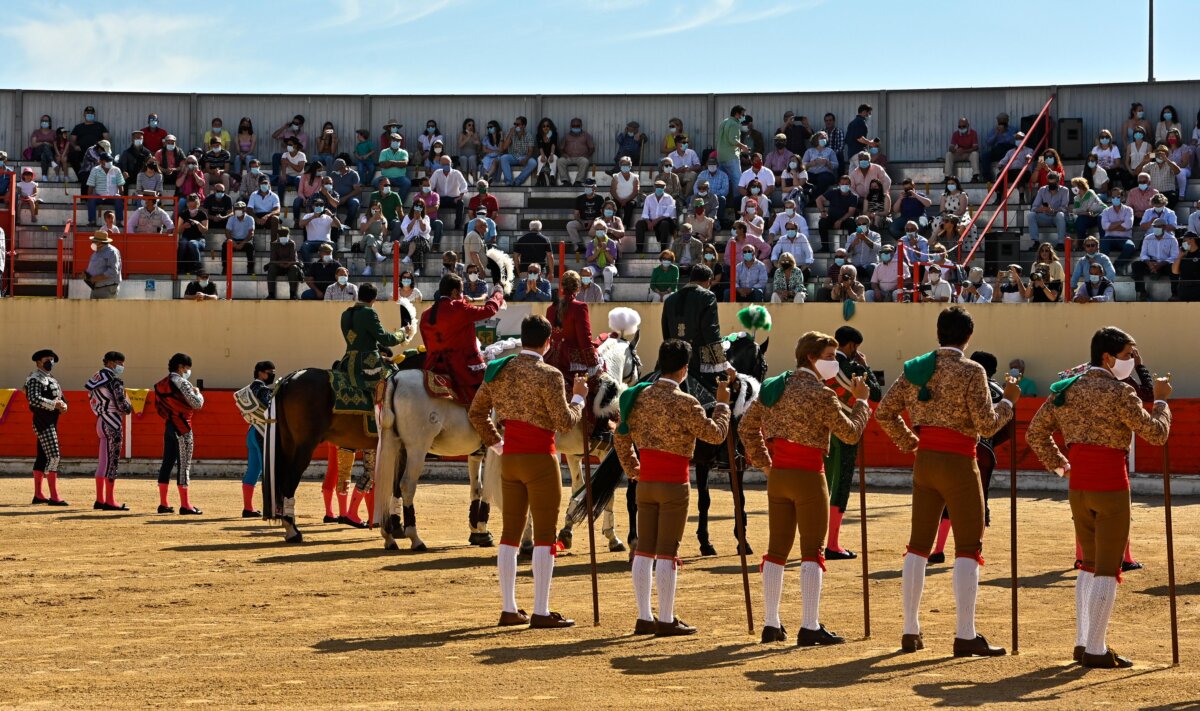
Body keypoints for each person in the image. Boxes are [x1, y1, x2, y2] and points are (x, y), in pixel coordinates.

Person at [876, 306, 1020, 657]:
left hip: (925, 462)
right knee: (969, 546)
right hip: (959, 463)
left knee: (918, 546)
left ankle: (910, 630)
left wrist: (910, 441)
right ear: (968, 336)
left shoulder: (917, 368)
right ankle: (965, 634)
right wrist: (1009, 404)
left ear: (938, 332)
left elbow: (883, 412)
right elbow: (987, 426)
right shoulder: (973, 371)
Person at [1026, 327, 1171, 669]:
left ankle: (1083, 641)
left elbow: (1035, 432)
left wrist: (1062, 467)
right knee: (1107, 568)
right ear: (1107, 357)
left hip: (1078, 487)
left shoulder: (1067, 389)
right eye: (1126, 356)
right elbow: (1157, 434)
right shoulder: (1120, 393)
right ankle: (1095, 648)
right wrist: (1163, 401)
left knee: (1088, 565)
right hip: (1111, 486)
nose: (1131, 363)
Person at [739, 331, 870, 645]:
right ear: (811, 357)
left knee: (777, 550)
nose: (833, 363)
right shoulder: (822, 395)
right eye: (828, 357)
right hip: (810, 476)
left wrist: (766, 463)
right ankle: (809, 626)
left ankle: (771, 624)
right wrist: (862, 402)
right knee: (812, 550)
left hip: (780, 475)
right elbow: (850, 434)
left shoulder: (773, 387)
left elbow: (745, 427)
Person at [469, 315, 588, 630]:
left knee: (509, 535)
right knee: (545, 536)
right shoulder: (549, 374)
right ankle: (540, 610)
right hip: (540, 460)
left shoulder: (501, 370)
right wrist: (579, 398)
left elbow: (476, 412)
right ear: (548, 343)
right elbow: (565, 423)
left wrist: (498, 445)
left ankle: (509, 609)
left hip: (510, 460)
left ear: (523, 338)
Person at [616, 339, 732, 637]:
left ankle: (644, 617)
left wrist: (633, 469)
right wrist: (722, 404)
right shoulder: (686, 402)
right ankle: (666, 619)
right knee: (667, 551)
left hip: (646, 482)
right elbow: (716, 435)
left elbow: (620, 436)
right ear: (684, 369)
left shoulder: (637, 397)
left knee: (644, 550)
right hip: (674, 484)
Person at [822, 327, 882, 558]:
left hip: (823, 429)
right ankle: (833, 544)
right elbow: (874, 393)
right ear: (852, 346)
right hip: (847, 427)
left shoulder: (820, 366)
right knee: (841, 484)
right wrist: (866, 367)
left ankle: (816, 540)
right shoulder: (855, 368)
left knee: (822, 483)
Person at [421, 273, 505, 405]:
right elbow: (489, 310)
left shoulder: (426, 314)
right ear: (454, 292)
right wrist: (497, 294)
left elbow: (427, 344)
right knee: (487, 397)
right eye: (461, 291)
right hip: (461, 367)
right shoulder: (459, 308)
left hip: (432, 366)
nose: (462, 295)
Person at [154, 353, 206, 515]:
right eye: (187, 368)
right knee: (184, 466)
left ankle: (163, 504)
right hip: (183, 427)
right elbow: (197, 404)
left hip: (169, 425)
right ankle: (185, 505)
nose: (188, 371)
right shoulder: (183, 383)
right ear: (181, 367)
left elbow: (159, 409)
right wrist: (198, 393)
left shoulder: (161, 384)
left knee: (167, 463)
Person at [85, 350, 133, 511]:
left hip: (100, 419)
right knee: (112, 462)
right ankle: (110, 501)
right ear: (111, 363)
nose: (122, 366)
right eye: (120, 363)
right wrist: (129, 407)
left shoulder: (95, 378)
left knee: (103, 461)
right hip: (112, 421)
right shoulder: (114, 380)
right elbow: (122, 405)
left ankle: (100, 499)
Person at [337, 283, 403, 400]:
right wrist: (402, 333)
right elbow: (385, 339)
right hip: (368, 363)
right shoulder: (369, 312)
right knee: (394, 377)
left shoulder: (345, 314)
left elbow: (360, 338)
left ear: (359, 296)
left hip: (348, 361)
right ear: (374, 299)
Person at [25, 349, 69, 507]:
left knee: (43, 457)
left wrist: (63, 406)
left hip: (51, 421)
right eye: (47, 359)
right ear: (38, 361)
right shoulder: (35, 378)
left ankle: (38, 495)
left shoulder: (52, 380)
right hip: (43, 421)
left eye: (52, 359)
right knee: (54, 456)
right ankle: (54, 496)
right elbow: (33, 399)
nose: (50, 361)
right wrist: (54, 404)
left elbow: (62, 399)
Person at [1130, 218, 1179, 299]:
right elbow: (1143, 254)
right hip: (1151, 264)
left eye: (1158, 226)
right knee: (1136, 265)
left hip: (1165, 265)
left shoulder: (1172, 239)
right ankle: (1142, 292)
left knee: (1174, 268)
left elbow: (1174, 256)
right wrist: (1149, 263)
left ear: (1164, 227)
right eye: (1154, 226)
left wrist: (1161, 264)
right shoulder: (1147, 238)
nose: (1156, 228)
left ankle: (1175, 294)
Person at [816, 175, 860, 253]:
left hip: (845, 220)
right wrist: (822, 211)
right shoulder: (833, 192)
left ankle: (851, 247)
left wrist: (840, 221)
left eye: (846, 184)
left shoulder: (854, 197)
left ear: (850, 185)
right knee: (822, 222)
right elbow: (818, 199)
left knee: (852, 223)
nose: (844, 186)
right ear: (839, 184)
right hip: (831, 218)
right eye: (842, 184)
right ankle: (825, 248)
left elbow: (851, 212)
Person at [718, 106, 751, 205]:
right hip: (731, 157)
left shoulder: (724, 122)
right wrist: (743, 147)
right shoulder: (734, 124)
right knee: (737, 181)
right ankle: (738, 205)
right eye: (743, 115)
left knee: (722, 181)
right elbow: (732, 140)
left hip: (720, 156)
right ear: (737, 114)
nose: (744, 117)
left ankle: (721, 204)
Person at [1027, 173, 1069, 248]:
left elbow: (1064, 209)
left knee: (1060, 215)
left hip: (1057, 217)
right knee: (1031, 215)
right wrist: (1041, 209)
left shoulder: (1064, 190)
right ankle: (1036, 242)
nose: (1051, 185)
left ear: (1058, 182)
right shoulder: (1042, 190)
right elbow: (1034, 208)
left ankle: (1061, 243)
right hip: (1045, 216)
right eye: (1049, 183)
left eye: (1053, 183)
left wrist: (1053, 210)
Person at [636, 180, 677, 253]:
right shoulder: (649, 198)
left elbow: (667, 214)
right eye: (658, 186)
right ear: (654, 187)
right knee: (639, 224)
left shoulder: (669, 198)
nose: (659, 188)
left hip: (662, 220)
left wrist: (656, 221)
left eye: (661, 187)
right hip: (650, 221)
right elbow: (645, 213)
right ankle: (639, 248)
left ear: (665, 188)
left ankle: (663, 248)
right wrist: (648, 222)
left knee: (665, 224)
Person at [85, 152, 125, 226]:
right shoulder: (95, 170)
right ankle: (92, 221)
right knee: (91, 198)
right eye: (106, 161)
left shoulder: (116, 170)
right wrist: (89, 199)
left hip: (113, 196)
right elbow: (90, 186)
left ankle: (119, 221)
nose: (109, 162)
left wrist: (122, 199)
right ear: (101, 161)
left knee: (119, 198)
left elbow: (120, 185)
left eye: (110, 160)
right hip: (99, 196)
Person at [429, 155, 467, 231]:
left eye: (448, 164)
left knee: (461, 203)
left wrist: (460, 196)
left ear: (451, 163)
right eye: (444, 164)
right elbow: (431, 185)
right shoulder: (437, 173)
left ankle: (457, 226)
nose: (446, 166)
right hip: (440, 199)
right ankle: (432, 224)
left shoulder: (457, 173)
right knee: (430, 203)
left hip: (453, 199)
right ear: (440, 164)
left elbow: (464, 185)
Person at [585, 221, 621, 300]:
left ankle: (607, 293)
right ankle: (591, 294)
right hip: (595, 266)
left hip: (609, 266)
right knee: (587, 271)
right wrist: (597, 252)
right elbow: (588, 259)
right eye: (597, 229)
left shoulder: (611, 243)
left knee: (607, 270)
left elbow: (612, 261)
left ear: (605, 230)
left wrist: (605, 251)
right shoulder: (591, 243)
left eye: (601, 229)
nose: (599, 231)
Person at [557, 117, 595, 187]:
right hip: (568, 157)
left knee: (585, 161)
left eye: (577, 126)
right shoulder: (566, 136)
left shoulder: (586, 135)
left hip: (581, 158)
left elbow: (592, 148)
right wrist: (563, 154)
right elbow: (561, 148)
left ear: (581, 126)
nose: (575, 127)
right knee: (560, 161)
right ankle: (566, 181)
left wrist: (587, 155)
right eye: (573, 126)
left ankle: (578, 182)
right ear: (570, 126)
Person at [500, 116, 537, 186]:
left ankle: (518, 181)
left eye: (518, 124)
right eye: (515, 124)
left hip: (524, 157)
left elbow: (530, 150)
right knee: (503, 158)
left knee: (533, 162)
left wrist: (526, 159)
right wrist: (510, 133)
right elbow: (504, 147)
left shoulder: (529, 136)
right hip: (513, 156)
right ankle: (509, 181)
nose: (516, 126)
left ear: (523, 126)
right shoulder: (512, 134)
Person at [267, 228, 303, 300]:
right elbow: (272, 260)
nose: (283, 237)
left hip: (289, 266)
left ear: (288, 235)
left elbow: (294, 259)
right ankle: (271, 294)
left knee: (294, 268)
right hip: (278, 266)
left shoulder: (291, 243)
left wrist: (288, 264)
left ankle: (293, 294)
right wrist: (280, 264)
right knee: (271, 268)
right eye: (281, 235)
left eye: (285, 235)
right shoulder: (274, 244)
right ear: (278, 236)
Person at [84, 231, 121, 299]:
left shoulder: (112, 252)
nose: (92, 243)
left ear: (100, 242)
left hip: (107, 288)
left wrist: (95, 278)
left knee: (105, 309)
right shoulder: (96, 252)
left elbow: (113, 271)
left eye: (94, 241)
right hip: (95, 288)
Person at [803, 131, 839, 200]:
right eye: (822, 138)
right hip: (811, 173)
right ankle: (808, 197)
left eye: (825, 138)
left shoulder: (830, 151)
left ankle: (814, 199)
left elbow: (836, 164)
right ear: (816, 139)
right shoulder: (809, 151)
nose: (824, 139)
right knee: (804, 178)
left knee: (823, 179)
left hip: (825, 173)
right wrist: (812, 163)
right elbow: (803, 165)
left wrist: (827, 162)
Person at [610, 156, 640, 227]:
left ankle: (626, 224)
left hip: (630, 200)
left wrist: (626, 200)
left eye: (627, 165)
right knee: (613, 204)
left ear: (630, 166)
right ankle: (617, 224)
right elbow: (612, 191)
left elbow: (636, 191)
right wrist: (619, 200)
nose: (625, 166)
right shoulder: (616, 177)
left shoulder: (635, 177)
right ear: (620, 165)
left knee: (630, 205)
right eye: (623, 165)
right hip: (617, 199)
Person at [1173, 231, 1200, 301]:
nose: (1183, 242)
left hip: (1197, 288)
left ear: (1192, 240)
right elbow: (1175, 271)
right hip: (1184, 288)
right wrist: (1179, 256)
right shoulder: (1183, 254)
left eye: (1185, 240)